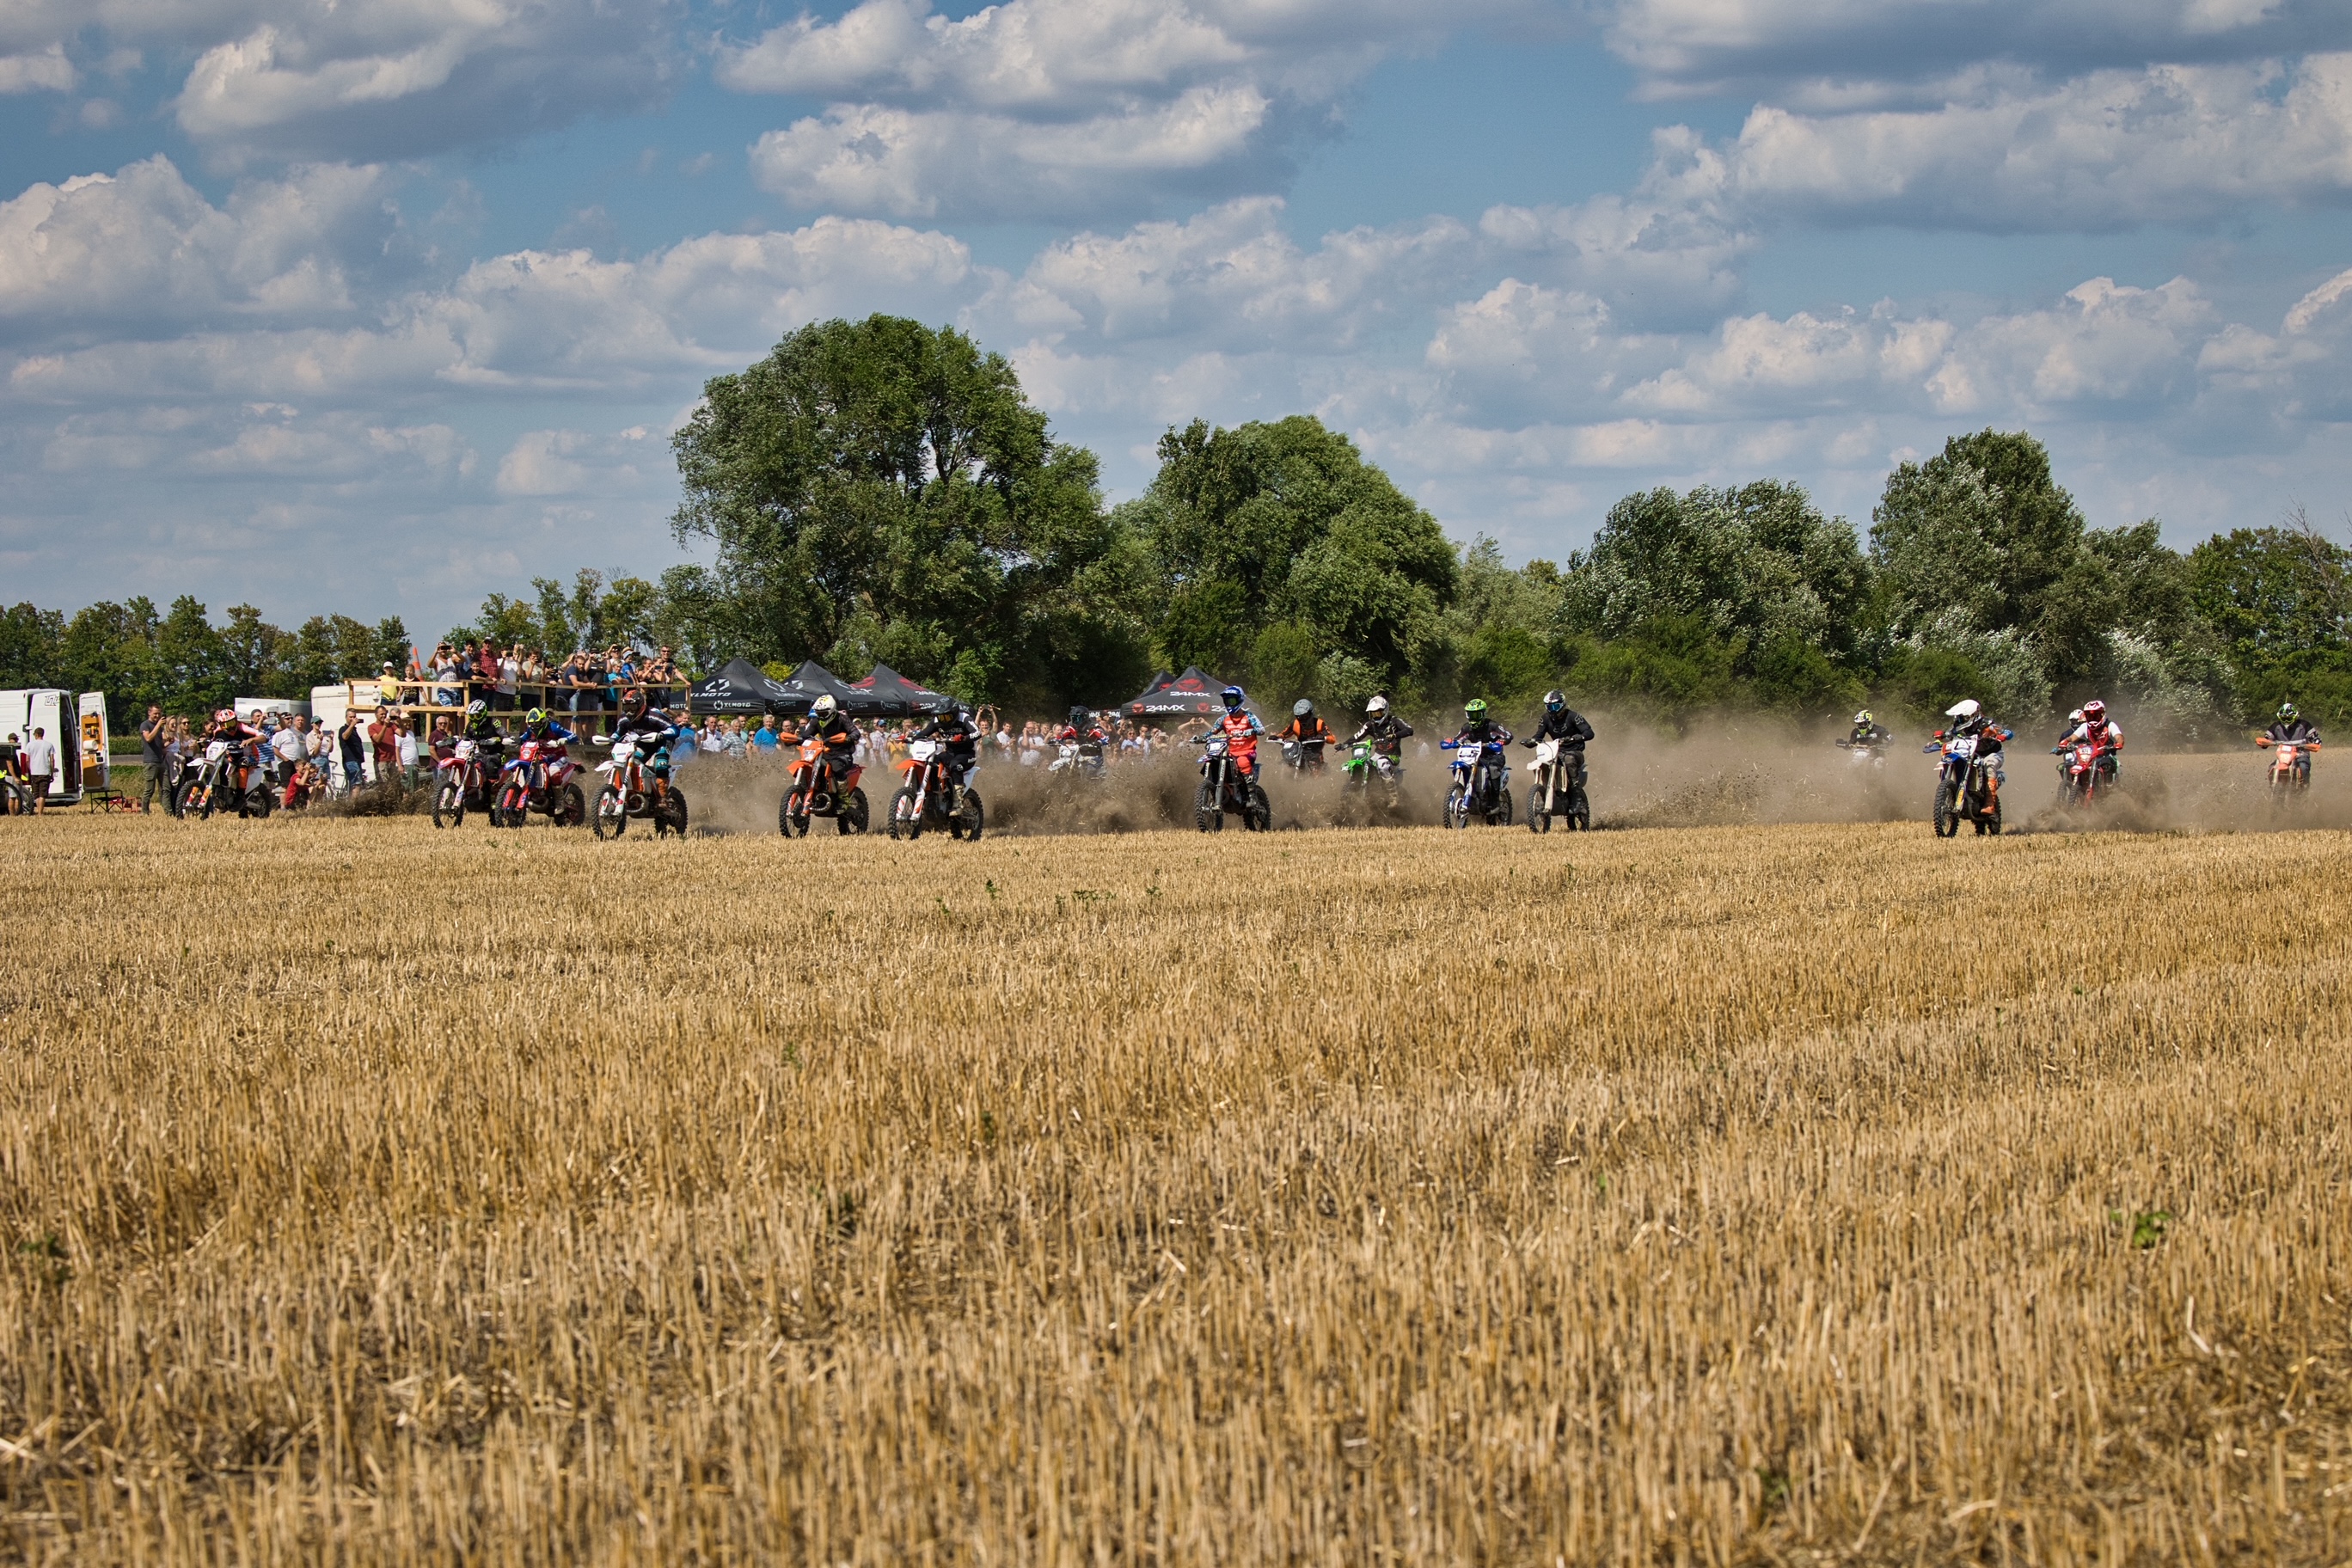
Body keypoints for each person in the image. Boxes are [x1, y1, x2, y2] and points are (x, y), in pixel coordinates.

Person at [610, 689, 681, 806]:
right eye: (626, 707)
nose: (629, 711)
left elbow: (675, 729)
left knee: (661, 764)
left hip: (662, 742)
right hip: (643, 742)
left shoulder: (654, 714)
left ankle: (663, 798)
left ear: (640, 705)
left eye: (632, 707)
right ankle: (637, 791)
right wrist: (611, 739)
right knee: (631, 762)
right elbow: (618, 733)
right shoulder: (624, 718)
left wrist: (662, 734)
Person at [1521, 689, 1596, 792]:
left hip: (1574, 751)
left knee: (1569, 759)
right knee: (1541, 760)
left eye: (1555, 707)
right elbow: (1539, 735)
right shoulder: (1545, 718)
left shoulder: (1573, 716)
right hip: (1556, 752)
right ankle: (1543, 787)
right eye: (1549, 707)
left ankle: (1576, 791)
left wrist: (1579, 737)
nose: (1552, 710)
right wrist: (1531, 741)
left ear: (1562, 705)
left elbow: (1589, 732)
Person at [1446, 699, 1513, 809]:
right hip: (1476, 756)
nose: (1474, 718)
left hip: (1494, 756)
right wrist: (1451, 741)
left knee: (1493, 768)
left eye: (1477, 715)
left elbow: (1508, 735)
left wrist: (1503, 741)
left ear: (1483, 714)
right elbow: (1458, 738)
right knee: (1464, 764)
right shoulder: (1467, 728)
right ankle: (1470, 794)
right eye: (1471, 715)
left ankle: (1495, 802)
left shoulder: (1492, 726)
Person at [911, 704, 983, 799]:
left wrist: (964, 738)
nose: (944, 720)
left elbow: (977, 733)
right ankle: (933, 791)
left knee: (955, 765)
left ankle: (958, 800)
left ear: (954, 714)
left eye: (947, 717)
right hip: (950, 753)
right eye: (941, 717)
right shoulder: (937, 721)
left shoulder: (964, 718)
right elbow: (924, 733)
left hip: (967, 754)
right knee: (929, 761)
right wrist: (911, 738)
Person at [801, 694, 861, 800]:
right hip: (825, 752)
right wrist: (797, 740)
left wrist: (849, 738)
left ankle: (844, 797)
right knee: (810, 764)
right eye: (819, 713)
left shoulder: (842, 719)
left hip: (842, 753)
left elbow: (855, 732)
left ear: (832, 710)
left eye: (823, 713)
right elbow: (806, 735)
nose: (821, 716)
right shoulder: (816, 721)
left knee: (836, 766)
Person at [2058, 698, 2124, 782]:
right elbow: (2073, 737)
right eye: (2089, 716)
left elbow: (2119, 736)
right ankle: (2078, 784)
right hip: (2090, 756)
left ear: (2102, 714)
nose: (2093, 719)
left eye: (2095, 716)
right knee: (2074, 763)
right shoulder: (2085, 726)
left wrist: (2119, 743)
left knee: (2106, 764)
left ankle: (2108, 787)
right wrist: (2066, 741)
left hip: (2107, 755)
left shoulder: (2110, 725)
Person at [2260, 701, 2322, 782]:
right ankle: (2274, 788)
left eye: (2289, 718)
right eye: (2284, 718)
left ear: (2295, 717)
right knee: (2271, 768)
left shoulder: (2305, 725)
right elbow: (2265, 740)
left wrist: (2313, 744)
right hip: (2283, 757)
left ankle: (2305, 787)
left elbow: (2316, 740)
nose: (2286, 721)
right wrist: (2266, 743)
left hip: (2301, 755)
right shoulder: (2276, 727)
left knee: (2303, 768)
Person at [1351, 695, 1414, 768]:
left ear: (1385, 711)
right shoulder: (1370, 724)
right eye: (1374, 714)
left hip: (1393, 755)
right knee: (1366, 765)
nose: (1376, 716)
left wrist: (1394, 735)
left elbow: (1409, 730)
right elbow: (1357, 736)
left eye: (1378, 713)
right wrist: (1343, 745)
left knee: (1382, 765)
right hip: (1378, 754)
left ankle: (1389, 779)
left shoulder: (1394, 721)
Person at [1214, 687, 1264, 778]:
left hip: (1247, 752)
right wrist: (1201, 737)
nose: (1229, 703)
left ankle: (1251, 791)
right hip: (1229, 752)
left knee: (1242, 762)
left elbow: (1261, 730)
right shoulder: (1223, 718)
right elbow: (1212, 731)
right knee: (1215, 761)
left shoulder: (1249, 716)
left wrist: (1251, 731)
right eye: (1227, 701)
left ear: (1239, 700)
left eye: (1232, 701)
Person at [1276, 698, 1334, 769]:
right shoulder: (1295, 724)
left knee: (1315, 769)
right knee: (1287, 762)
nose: (1303, 719)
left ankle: (1317, 779)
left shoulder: (1319, 723)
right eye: (1299, 717)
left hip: (1315, 753)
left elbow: (1332, 739)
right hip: (1299, 752)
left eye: (1305, 716)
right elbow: (1283, 734)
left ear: (1311, 713)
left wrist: (1323, 737)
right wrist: (1276, 737)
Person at [138, 704, 168, 812]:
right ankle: (145, 811)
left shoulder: (158, 727)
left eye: (159, 713)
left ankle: (166, 809)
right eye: (155, 713)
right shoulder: (145, 725)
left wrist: (169, 742)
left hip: (160, 761)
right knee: (149, 789)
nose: (157, 716)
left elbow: (161, 745)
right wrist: (158, 725)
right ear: (149, 713)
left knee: (165, 788)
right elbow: (149, 738)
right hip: (150, 761)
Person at [21, 725, 56, 813]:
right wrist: (52, 772)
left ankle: (38, 811)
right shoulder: (49, 745)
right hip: (45, 771)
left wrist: (31, 769)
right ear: (42, 734)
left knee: (36, 793)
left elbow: (27, 760)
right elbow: (52, 760)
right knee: (43, 793)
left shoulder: (30, 745)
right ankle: (40, 813)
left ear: (36, 735)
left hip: (34, 772)